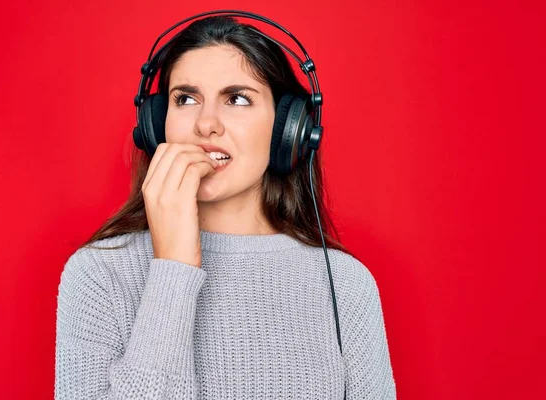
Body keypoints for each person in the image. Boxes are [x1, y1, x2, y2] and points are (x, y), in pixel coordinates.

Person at [55, 14, 397, 399]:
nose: (206, 124)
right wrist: (174, 268)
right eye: (185, 98)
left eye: (237, 99)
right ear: (155, 125)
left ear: (289, 130)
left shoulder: (346, 286)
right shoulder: (100, 273)